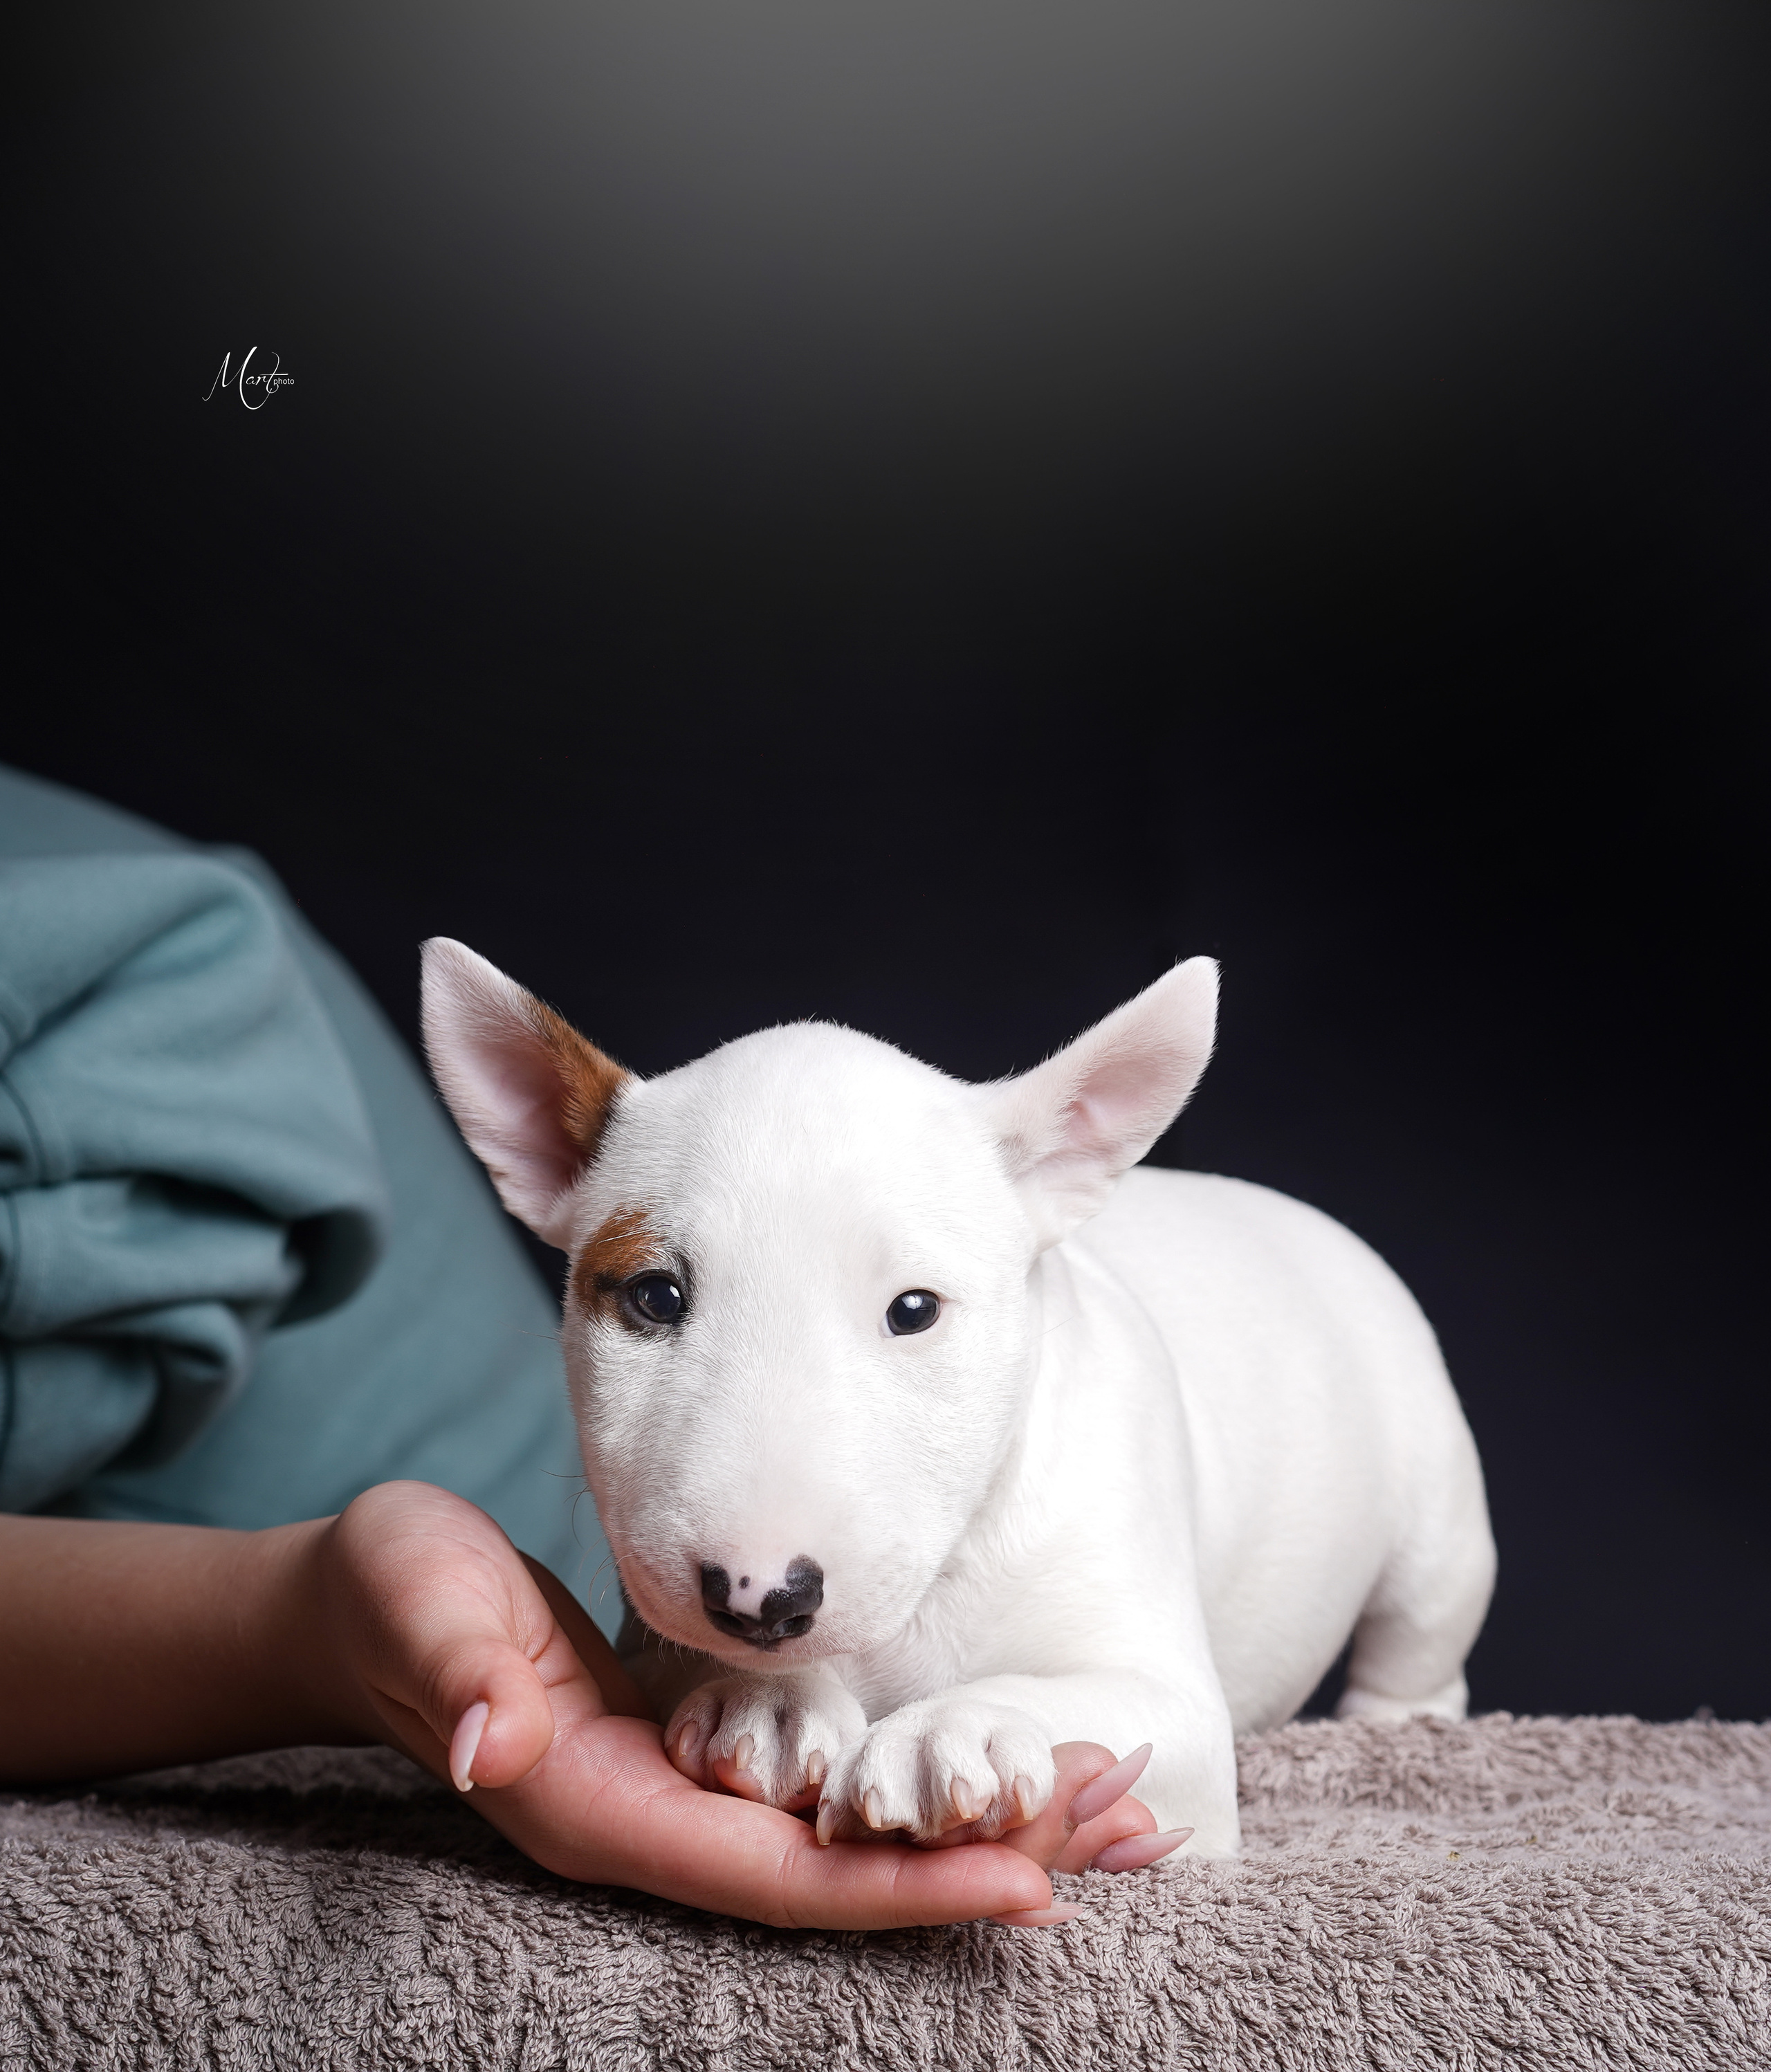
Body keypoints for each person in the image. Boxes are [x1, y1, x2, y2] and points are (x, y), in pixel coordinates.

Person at [0, 763, 1157, 1928]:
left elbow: (1173, 1719)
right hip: (466, 1606)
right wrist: (314, 1615)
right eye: (657, 1299)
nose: (756, 1587)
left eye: (910, 1313)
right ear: (547, 1158)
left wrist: (998, 1711)